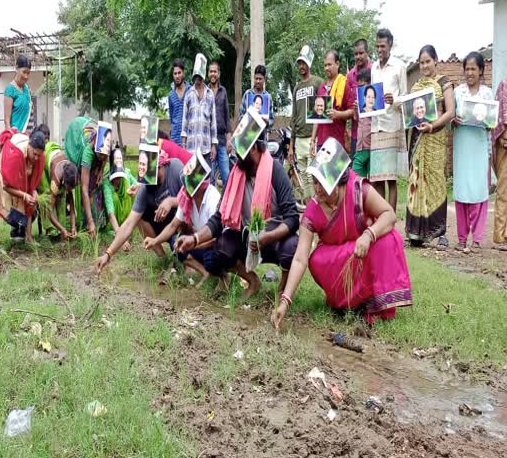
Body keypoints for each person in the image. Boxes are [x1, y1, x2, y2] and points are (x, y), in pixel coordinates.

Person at [270, 160, 412, 329]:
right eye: (315, 182)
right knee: (317, 261)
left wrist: (369, 234)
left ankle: (373, 304)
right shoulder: (312, 211)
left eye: (323, 182)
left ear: (338, 180)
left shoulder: (359, 190)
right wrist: (285, 302)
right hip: (339, 258)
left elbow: (389, 215)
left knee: (388, 240)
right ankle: (346, 302)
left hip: (365, 250)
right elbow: (300, 259)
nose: (317, 189)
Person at [176, 140, 299, 298]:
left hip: (274, 237)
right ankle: (252, 280)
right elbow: (218, 218)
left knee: (291, 246)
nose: (236, 157)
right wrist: (195, 238)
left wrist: (268, 236)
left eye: (240, 152)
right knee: (221, 247)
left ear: (254, 148)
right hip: (248, 238)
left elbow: (292, 218)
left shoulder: (276, 171)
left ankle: (283, 287)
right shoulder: (236, 175)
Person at [96, 150, 184, 272]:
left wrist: (171, 201)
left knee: (183, 256)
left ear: (159, 166)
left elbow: (193, 197)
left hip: (182, 224)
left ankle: (182, 257)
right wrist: (108, 254)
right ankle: (163, 259)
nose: (147, 183)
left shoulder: (175, 168)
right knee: (139, 218)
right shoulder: (144, 188)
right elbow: (128, 224)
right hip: (162, 225)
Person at [406, 45, 455, 250]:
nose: (425, 65)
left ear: (436, 60)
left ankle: (439, 233)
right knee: (417, 182)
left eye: (428, 61)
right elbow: (410, 115)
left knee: (435, 182)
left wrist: (432, 125)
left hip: (435, 138)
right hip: (418, 140)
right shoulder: (416, 87)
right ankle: (416, 233)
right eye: (422, 62)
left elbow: (450, 112)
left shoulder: (444, 83)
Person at [143, 176, 221, 285]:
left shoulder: (213, 198)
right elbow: (173, 225)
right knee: (175, 242)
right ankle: (204, 272)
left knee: (211, 259)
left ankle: (220, 275)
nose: (184, 188)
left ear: (198, 188)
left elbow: (216, 238)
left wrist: (193, 243)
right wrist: (155, 241)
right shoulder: (187, 198)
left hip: (213, 245)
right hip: (197, 241)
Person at [453, 52, 493, 252]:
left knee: (478, 189)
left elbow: (491, 123)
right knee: (461, 189)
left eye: (473, 69)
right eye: (467, 69)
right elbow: (451, 116)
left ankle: (476, 239)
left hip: (478, 146)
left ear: (481, 70)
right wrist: (454, 120)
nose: (469, 72)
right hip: (462, 145)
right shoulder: (458, 92)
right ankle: (461, 238)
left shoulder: (487, 94)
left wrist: (487, 120)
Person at [370, 28, 407, 212]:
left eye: (382, 46)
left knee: (390, 178)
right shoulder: (373, 68)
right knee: (377, 177)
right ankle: (380, 217)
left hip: (392, 126)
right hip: (376, 126)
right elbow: (370, 95)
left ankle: (390, 219)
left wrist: (394, 100)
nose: (379, 50)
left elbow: (405, 97)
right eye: (377, 46)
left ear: (390, 45)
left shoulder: (400, 67)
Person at [0, 129, 46, 243]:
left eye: (38, 156)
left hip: (16, 174)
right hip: (1, 164)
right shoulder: (15, 155)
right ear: (29, 146)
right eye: (34, 154)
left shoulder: (39, 157)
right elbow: (6, 185)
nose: (36, 158)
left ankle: (27, 236)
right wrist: (24, 195)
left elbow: (31, 183)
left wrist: (33, 192)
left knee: (30, 203)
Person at [63, 116, 108, 237]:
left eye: (105, 155)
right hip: (75, 137)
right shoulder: (87, 153)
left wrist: (101, 168)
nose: (104, 158)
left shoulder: (106, 140)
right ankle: (86, 223)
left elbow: (105, 156)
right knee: (87, 189)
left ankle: (98, 222)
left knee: (98, 184)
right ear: (95, 147)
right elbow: (84, 188)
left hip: (93, 150)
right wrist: (90, 221)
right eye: (101, 155)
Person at [289, 46, 324, 200]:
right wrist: (291, 145)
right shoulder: (297, 87)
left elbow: (322, 110)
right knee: (304, 177)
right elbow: (294, 116)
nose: (301, 66)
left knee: (313, 176)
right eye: (299, 63)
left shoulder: (317, 82)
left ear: (309, 63)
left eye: (304, 63)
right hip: (299, 139)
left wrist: (317, 138)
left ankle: (317, 211)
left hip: (313, 138)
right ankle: (311, 213)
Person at [181, 54, 217, 179]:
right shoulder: (189, 94)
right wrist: (184, 145)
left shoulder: (210, 94)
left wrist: (213, 145)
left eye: (199, 77)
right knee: (192, 181)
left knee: (206, 181)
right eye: (195, 76)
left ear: (203, 77)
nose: (197, 79)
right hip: (191, 148)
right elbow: (184, 121)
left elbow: (213, 122)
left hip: (206, 148)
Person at [36, 138, 78, 241]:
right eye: (68, 188)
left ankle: (60, 228)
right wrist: (63, 230)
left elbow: (72, 206)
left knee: (62, 197)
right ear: (63, 182)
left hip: (56, 157)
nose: (69, 191)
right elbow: (49, 211)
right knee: (47, 197)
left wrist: (73, 227)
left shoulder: (72, 174)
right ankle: (51, 230)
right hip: (44, 162)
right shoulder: (56, 180)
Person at [312, 50, 355, 151]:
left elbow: (352, 111)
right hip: (321, 142)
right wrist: (313, 139)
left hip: (336, 142)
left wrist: (338, 114)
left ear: (337, 64)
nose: (327, 68)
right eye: (325, 65)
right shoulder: (322, 87)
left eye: (329, 65)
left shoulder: (344, 84)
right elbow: (316, 117)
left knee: (335, 168)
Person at [103, 147, 138, 248]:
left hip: (127, 215)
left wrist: (134, 189)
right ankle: (118, 229)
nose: (118, 180)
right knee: (113, 197)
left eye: (120, 158)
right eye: (116, 159)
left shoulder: (127, 173)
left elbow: (139, 188)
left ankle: (127, 224)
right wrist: (121, 238)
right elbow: (110, 212)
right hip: (113, 220)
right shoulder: (107, 182)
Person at [347, 39, 373, 157]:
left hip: (373, 131)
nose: (358, 56)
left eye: (361, 53)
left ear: (367, 52)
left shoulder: (375, 71)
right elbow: (348, 101)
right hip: (355, 133)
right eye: (356, 54)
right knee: (356, 172)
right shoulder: (350, 76)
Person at [208, 60, 231, 186]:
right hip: (208, 142)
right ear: (208, 73)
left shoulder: (223, 92)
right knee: (210, 178)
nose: (213, 74)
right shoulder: (205, 92)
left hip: (222, 141)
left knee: (226, 176)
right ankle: (210, 206)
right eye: (211, 71)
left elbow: (227, 117)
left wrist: (229, 140)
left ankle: (225, 205)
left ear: (219, 74)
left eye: (215, 71)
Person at [352, 69, 374, 177]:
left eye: (363, 86)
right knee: (356, 177)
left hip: (372, 146)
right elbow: (356, 119)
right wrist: (356, 109)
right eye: (359, 87)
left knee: (372, 182)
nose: (361, 89)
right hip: (360, 146)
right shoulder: (359, 103)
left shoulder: (376, 106)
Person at [494, 79, 507, 251]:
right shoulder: (505, 84)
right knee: (504, 190)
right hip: (505, 144)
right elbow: (498, 115)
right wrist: (503, 136)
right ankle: (501, 235)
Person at [5, 55, 33, 133]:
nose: (26, 76)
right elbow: (7, 120)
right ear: (17, 69)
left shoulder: (27, 89)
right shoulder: (10, 89)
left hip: (28, 136)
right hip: (16, 137)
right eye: (24, 72)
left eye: (28, 73)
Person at [168, 58, 191, 142]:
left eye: (179, 73)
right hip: (175, 139)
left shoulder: (191, 91)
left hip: (189, 139)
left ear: (183, 73)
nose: (177, 76)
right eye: (175, 73)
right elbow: (171, 118)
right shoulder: (171, 95)